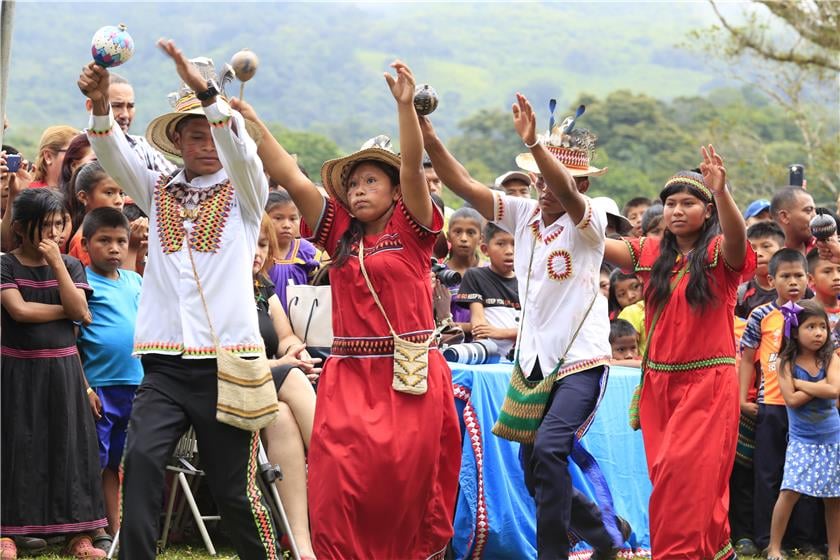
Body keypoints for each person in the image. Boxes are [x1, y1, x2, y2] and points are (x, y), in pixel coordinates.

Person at [234, 60, 461, 559]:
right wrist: (250, 121)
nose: (357, 190)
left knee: (400, 492)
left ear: (395, 191)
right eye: (352, 183)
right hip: (349, 375)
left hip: (410, 376)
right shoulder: (339, 234)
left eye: (369, 182)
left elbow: (411, 168)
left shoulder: (413, 230)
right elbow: (292, 179)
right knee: (338, 485)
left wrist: (404, 107)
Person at [79, 40, 281, 559]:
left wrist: (205, 95)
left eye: (211, 132)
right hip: (165, 363)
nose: (206, 143)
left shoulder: (246, 194)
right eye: (194, 134)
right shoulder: (160, 190)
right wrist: (102, 106)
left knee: (235, 489)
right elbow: (111, 154)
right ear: (178, 142)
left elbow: (241, 147)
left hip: (227, 364)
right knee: (142, 464)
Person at [424, 94, 628, 559]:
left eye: (553, 178)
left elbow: (568, 190)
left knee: (551, 449)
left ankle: (552, 553)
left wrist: (536, 143)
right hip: (533, 364)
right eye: (538, 179)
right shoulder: (524, 214)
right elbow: (463, 184)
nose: (544, 186)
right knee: (536, 468)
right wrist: (429, 134)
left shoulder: (589, 218)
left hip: (581, 360)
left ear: (577, 182)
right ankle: (605, 534)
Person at [604, 149, 755, 559]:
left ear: (707, 211)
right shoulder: (651, 253)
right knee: (676, 484)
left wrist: (723, 194)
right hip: (658, 386)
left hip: (707, 386)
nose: (676, 210)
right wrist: (558, 186)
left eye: (688, 202)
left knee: (682, 481)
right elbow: (594, 241)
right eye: (670, 203)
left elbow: (739, 243)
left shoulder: (716, 255)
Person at [1, 188, 107, 559]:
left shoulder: (72, 265)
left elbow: (79, 308)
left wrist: (59, 266)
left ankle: (79, 536)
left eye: (59, 224)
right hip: (16, 368)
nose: (54, 233)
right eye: (44, 225)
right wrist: (68, 310)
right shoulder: (6, 264)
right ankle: (7, 532)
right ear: (19, 228)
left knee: (68, 448)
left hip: (63, 367)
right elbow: (20, 312)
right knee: (17, 446)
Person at [738, 248, 822, 552]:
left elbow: (827, 355)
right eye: (785, 276)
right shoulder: (760, 315)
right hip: (771, 405)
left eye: (798, 275)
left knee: (805, 474)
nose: (793, 282)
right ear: (771, 280)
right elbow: (747, 359)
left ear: (808, 278)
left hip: (806, 405)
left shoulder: (813, 314)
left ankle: (806, 540)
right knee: (768, 473)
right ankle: (766, 540)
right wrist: (742, 398)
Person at [252, 213, 319, 560]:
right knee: (293, 377)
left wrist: (296, 351)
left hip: (263, 391)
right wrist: (284, 365)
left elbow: (286, 336)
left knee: (281, 416)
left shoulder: (263, 288)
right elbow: (221, 357)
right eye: (251, 244)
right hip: (219, 386)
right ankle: (336, 472)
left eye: (263, 245)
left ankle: (301, 545)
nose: (257, 253)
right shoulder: (215, 292)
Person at [75, 207, 143, 549]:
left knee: (120, 462)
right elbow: (72, 342)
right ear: (86, 244)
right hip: (100, 388)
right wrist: (85, 387)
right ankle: (91, 529)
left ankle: (119, 532)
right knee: (96, 461)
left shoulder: (135, 281)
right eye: (105, 241)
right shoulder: (82, 283)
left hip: (137, 387)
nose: (114, 248)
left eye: (121, 241)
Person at [767, 300, 840, 560]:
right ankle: (774, 547)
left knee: (834, 497)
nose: (819, 332)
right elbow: (792, 400)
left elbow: (835, 390)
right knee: (789, 492)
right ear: (795, 331)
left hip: (832, 438)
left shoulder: (830, 357)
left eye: (823, 326)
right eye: (811, 326)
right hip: (802, 440)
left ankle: (834, 551)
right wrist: (819, 386)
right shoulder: (786, 362)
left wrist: (800, 383)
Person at [85, 72, 176, 175]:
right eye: (116, 106)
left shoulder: (143, 147)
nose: (125, 115)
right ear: (90, 106)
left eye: (130, 106)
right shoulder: (78, 149)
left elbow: (174, 184)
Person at [455, 221, 520, 359]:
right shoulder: (476, 276)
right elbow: (479, 325)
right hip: (490, 356)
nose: (509, 251)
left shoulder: (528, 282)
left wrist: (500, 333)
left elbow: (536, 330)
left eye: (514, 243)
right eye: (501, 244)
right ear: (485, 249)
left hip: (523, 361)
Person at [264, 190, 319, 313]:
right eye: (278, 218)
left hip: (302, 322)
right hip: (267, 323)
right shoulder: (259, 251)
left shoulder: (307, 251)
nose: (286, 225)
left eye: (293, 218)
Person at [65, 162, 126, 265]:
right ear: (83, 197)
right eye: (109, 193)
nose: (119, 200)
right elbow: (112, 280)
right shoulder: (83, 242)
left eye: (121, 193)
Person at [443, 206, 484, 333]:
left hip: (487, 348)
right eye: (458, 232)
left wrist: (455, 327)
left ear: (481, 238)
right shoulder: (440, 275)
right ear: (449, 236)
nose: (464, 238)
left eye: (471, 233)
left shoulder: (490, 271)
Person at [735, 222, 786, 319]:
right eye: (752, 248)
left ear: (782, 251)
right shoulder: (741, 295)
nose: (758, 253)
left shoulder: (798, 289)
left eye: (766, 246)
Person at [806, 248, 840, 348]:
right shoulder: (802, 312)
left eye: (839, 270)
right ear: (811, 279)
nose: (836, 277)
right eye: (827, 271)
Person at [771, 187, 815, 255]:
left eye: (815, 211)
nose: (815, 216)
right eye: (808, 210)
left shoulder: (822, 250)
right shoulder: (767, 257)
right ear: (784, 216)